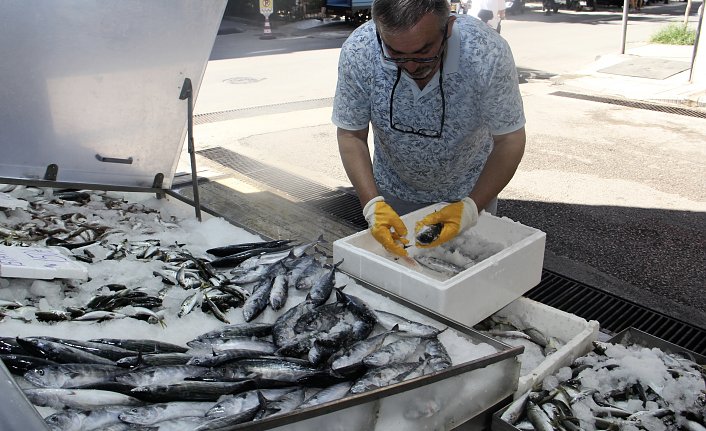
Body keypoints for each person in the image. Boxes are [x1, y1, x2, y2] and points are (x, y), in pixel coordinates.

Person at [332, 0, 526, 257]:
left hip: (471, 193)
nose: (411, 66)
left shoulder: (486, 52)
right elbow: (351, 135)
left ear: (448, 27)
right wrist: (372, 204)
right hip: (392, 195)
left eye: (424, 51)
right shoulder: (360, 50)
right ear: (379, 30)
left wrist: (470, 208)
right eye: (396, 53)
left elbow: (510, 140)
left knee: (469, 276)